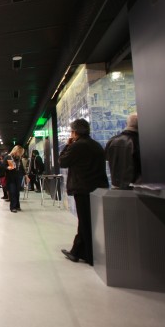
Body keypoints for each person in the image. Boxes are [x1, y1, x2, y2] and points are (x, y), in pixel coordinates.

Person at [59, 118, 109, 266]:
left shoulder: (77, 146)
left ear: (74, 132)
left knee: (85, 222)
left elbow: (62, 161)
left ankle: (88, 255)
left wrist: (68, 146)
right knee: (89, 221)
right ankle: (78, 251)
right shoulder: (96, 146)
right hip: (98, 188)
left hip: (82, 189)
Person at [105, 113, 141, 189]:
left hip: (116, 186)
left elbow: (107, 158)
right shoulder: (139, 142)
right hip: (134, 188)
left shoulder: (112, 140)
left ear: (126, 124)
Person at [5, 146, 27, 213]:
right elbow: (3, 166)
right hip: (11, 178)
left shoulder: (19, 158)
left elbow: (22, 168)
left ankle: (17, 206)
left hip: (18, 177)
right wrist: (8, 168)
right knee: (12, 192)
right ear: (16, 151)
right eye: (20, 152)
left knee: (17, 192)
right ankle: (13, 207)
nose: (20, 154)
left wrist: (26, 176)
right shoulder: (8, 157)